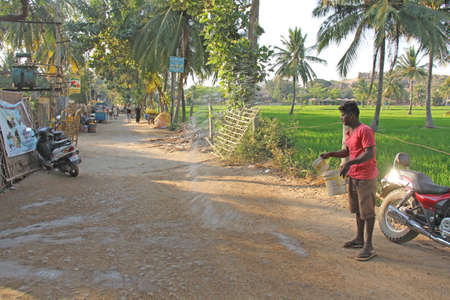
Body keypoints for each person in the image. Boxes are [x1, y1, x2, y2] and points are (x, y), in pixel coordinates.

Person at [320, 101, 378, 261]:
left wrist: (350, 163)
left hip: (366, 176)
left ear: (352, 115)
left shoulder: (364, 130)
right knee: (358, 209)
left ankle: (369, 245)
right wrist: (331, 154)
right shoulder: (349, 132)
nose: (341, 118)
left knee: (367, 211)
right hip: (353, 175)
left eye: (343, 115)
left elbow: (369, 153)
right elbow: (347, 151)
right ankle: (359, 239)